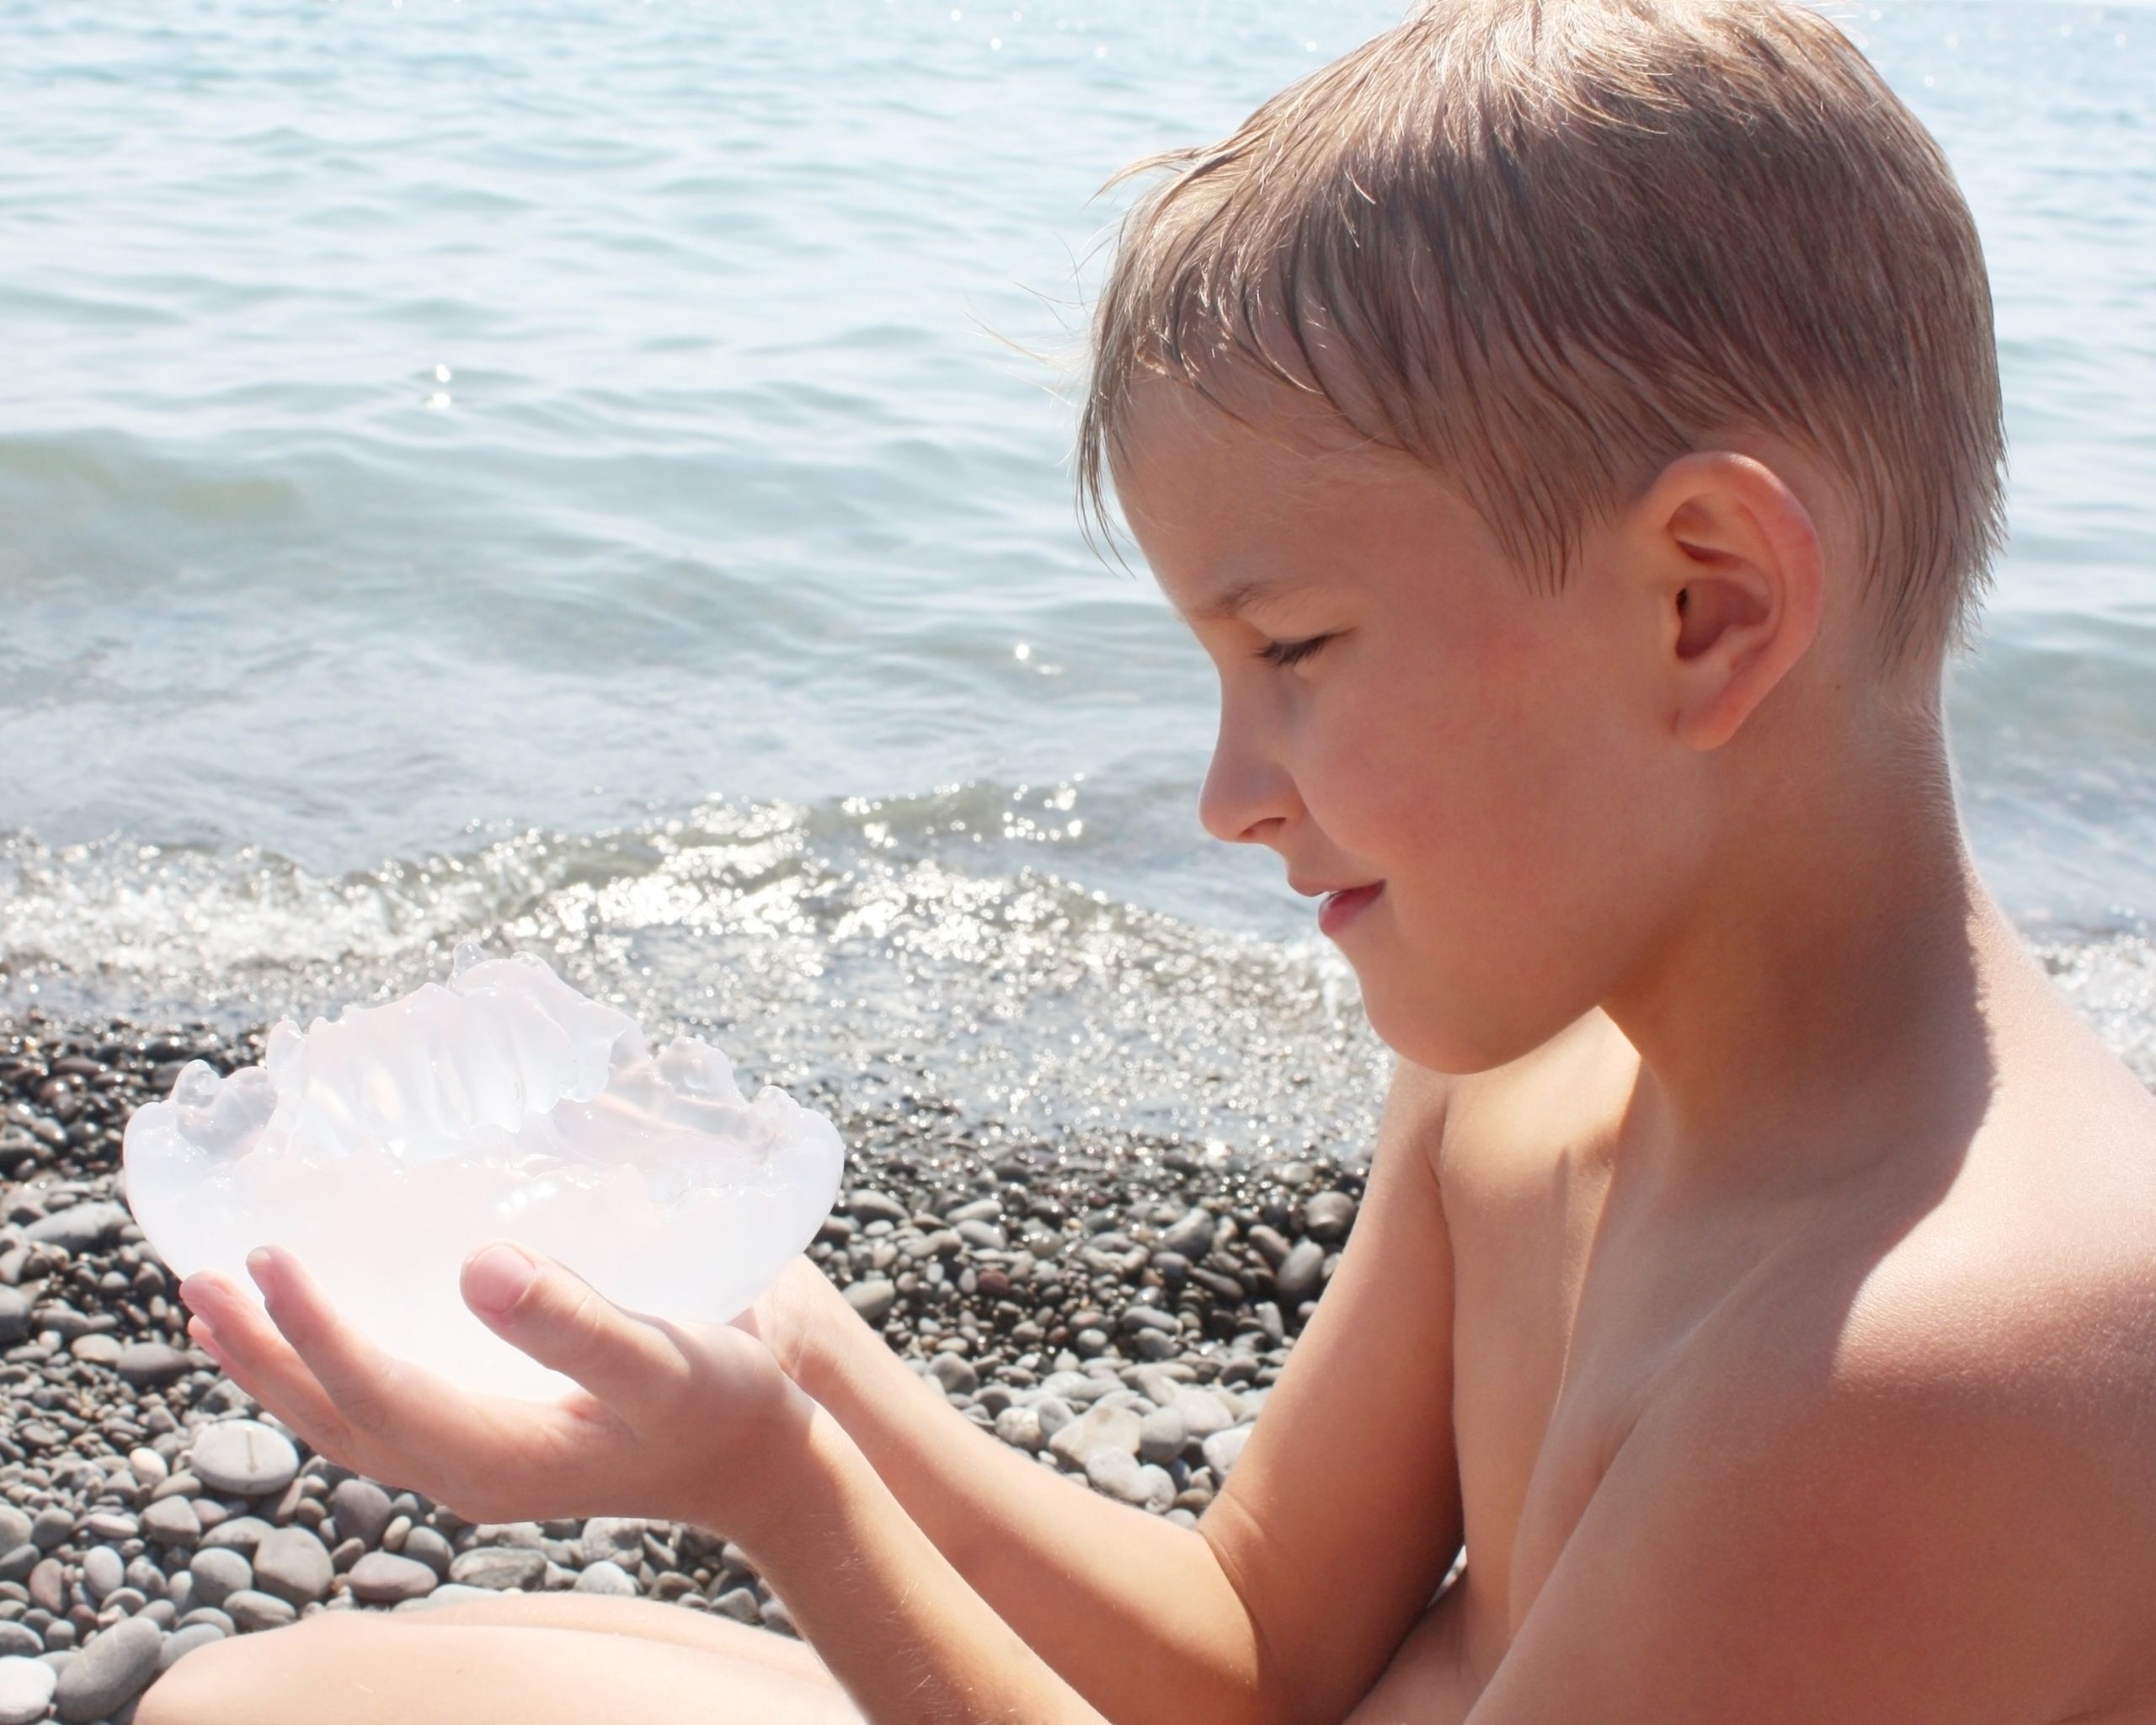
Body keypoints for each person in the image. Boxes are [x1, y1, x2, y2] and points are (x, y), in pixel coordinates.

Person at [141, 0, 2156, 1719]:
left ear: (1703, 608)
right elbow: (1250, 1647)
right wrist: (774, 1335)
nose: (1225, 792)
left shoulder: (1949, 1358)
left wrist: (781, 1486)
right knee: (266, 1689)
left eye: (1286, 653)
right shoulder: (1532, 1070)